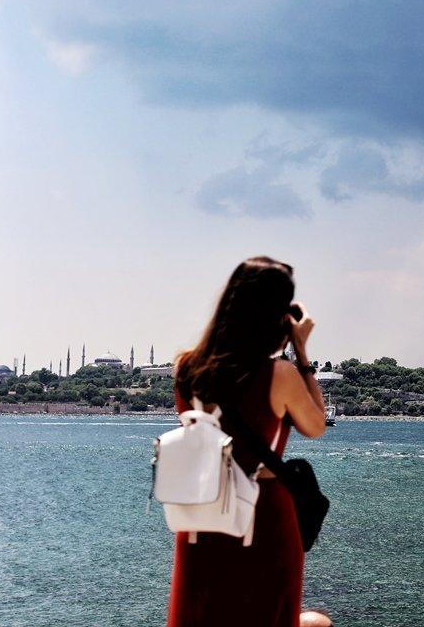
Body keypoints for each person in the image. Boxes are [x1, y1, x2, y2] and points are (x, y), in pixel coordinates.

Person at [167, 256, 332, 627]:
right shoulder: (281, 374)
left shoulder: (187, 369)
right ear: (276, 315)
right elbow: (316, 425)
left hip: (202, 516)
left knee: (204, 614)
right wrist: (301, 350)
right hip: (264, 515)